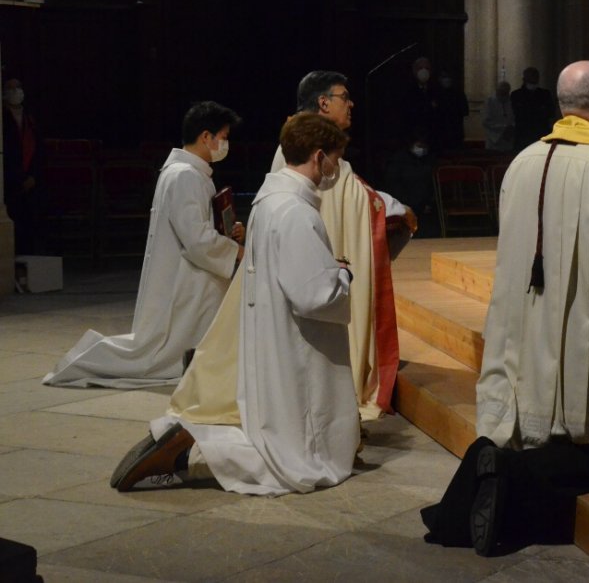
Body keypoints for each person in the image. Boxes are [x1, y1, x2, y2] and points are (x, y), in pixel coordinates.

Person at [422, 60, 589, 555]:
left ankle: (492, 460)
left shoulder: (520, 164)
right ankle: (510, 477)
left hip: (524, 351)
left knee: (527, 437)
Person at [110, 113, 358, 495]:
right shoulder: (296, 212)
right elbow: (314, 296)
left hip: (273, 335)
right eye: (335, 160)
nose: (336, 169)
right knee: (296, 457)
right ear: (319, 156)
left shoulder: (269, 200)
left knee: (277, 428)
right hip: (297, 343)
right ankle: (196, 440)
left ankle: (186, 436)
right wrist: (342, 275)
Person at [166, 71, 413, 429]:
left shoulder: (304, 146)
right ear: (324, 102)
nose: (351, 104)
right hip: (300, 278)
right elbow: (351, 200)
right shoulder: (302, 159)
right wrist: (388, 212)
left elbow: (349, 192)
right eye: (345, 96)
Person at [44, 102, 244, 389]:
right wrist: (235, 252)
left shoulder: (189, 173)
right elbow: (197, 240)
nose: (226, 143)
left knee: (166, 346)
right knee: (156, 356)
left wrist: (227, 231)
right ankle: (88, 359)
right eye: (223, 136)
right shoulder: (185, 176)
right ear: (205, 136)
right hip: (186, 276)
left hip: (188, 271)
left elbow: (200, 228)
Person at [2, 77, 42, 254]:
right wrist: (16, 178)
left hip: (31, 179)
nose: (15, 92)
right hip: (10, 182)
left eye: (17, 88)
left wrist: (33, 175)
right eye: (10, 89)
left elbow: (39, 150)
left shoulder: (30, 118)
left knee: (31, 223)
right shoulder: (3, 118)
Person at [385, 133, 440, 238]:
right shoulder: (399, 160)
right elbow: (394, 184)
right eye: (419, 145)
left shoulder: (429, 160)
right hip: (405, 202)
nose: (421, 149)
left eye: (424, 146)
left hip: (425, 205)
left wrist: (428, 202)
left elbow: (431, 184)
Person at [509, 67, 557, 150]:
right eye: (531, 77)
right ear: (524, 79)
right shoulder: (516, 95)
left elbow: (551, 112)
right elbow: (514, 114)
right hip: (523, 133)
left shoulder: (545, 94)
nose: (534, 79)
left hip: (541, 132)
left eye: (535, 77)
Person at [433, 71, 469, 152]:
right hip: (440, 132)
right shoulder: (435, 93)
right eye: (444, 78)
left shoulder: (458, 93)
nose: (446, 80)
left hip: (455, 131)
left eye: (448, 77)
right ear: (440, 80)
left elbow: (465, 111)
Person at [481, 80, 515, 152]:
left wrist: (511, 127)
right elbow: (486, 121)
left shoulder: (512, 101)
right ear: (497, 91)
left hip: (509, 139)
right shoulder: (489, 102)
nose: (503, 94)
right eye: (501, 92)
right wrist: (503, 129)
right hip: (493, 139)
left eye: (505, 92)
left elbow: (516, 118)